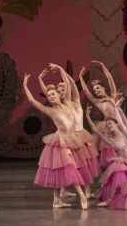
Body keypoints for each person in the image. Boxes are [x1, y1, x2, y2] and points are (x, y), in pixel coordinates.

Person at [23, 73, 88, 209]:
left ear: (59, 95)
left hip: (71, 140)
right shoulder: (51, 111)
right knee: (70, 166)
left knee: (60, 171)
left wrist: (59, 69)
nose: (52, 97)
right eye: (49, 96)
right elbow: (33, 102)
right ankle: (82, 195)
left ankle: (56, 201)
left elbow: (69, 85)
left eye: (54, 94)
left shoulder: (68, 104)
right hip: (60, 142)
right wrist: (25, 85)